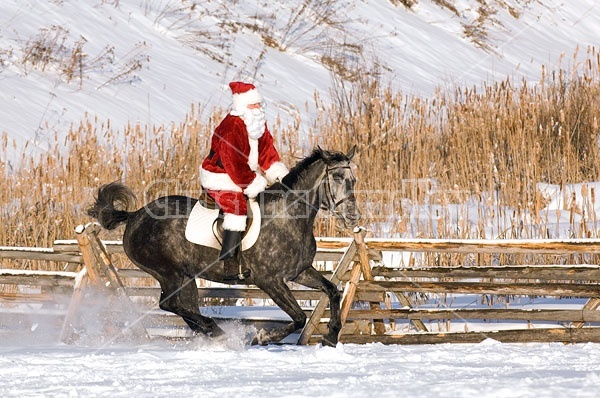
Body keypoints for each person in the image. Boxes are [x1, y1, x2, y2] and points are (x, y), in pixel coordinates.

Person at [200, 81, 288, 279]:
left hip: (244, 175)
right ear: (242, 106)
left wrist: (279, 175)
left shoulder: (257, 125)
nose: (258, 108)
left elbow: (267, 152)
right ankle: (229, 263)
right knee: (237, 208)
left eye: (259, 104)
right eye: (253, 105)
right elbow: (233, 163)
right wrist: (251, 183)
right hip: (220, 175)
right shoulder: (231, 127)